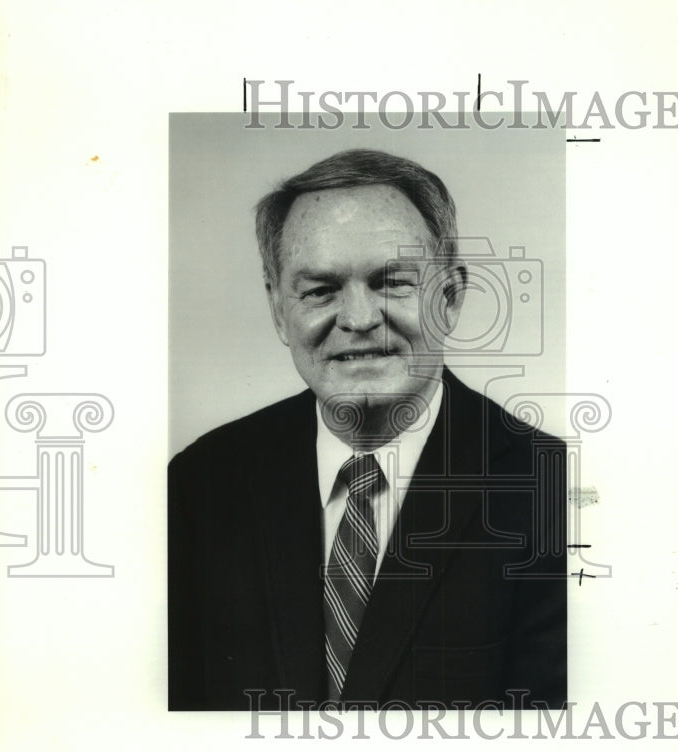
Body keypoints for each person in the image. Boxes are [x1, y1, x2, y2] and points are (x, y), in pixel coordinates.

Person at [168, 148, 566, 711]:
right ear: (279, 310)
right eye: (319, 291)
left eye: (392, 282)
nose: (357, 320)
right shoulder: (198, 484)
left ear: (450, 297)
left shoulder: (550, 489)